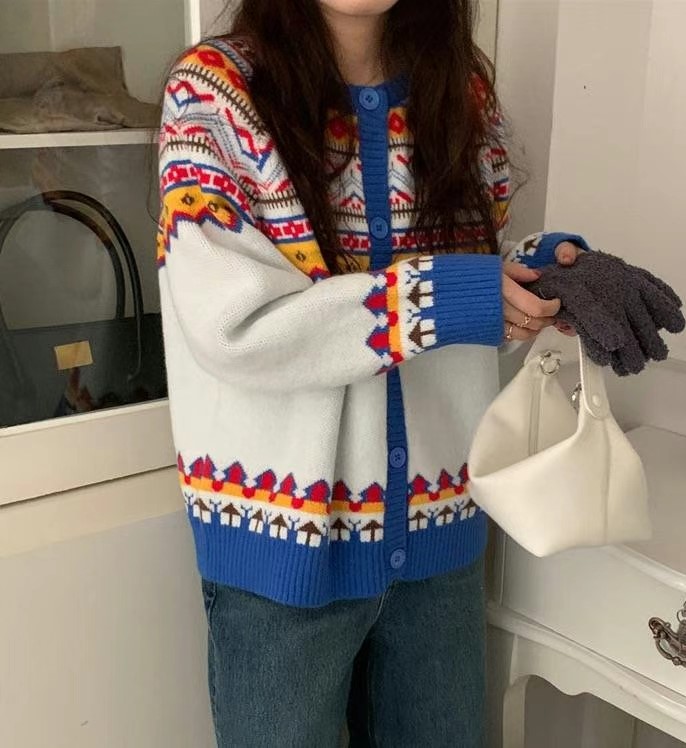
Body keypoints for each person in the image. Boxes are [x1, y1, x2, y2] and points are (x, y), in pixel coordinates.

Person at [156, 1, 589, 745]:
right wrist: (447, 298)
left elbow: (462, 317)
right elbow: (235, 328)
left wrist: (536, 279)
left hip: (441, 547)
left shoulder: (459, 95)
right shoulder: (216, 94)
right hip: (281, 558)